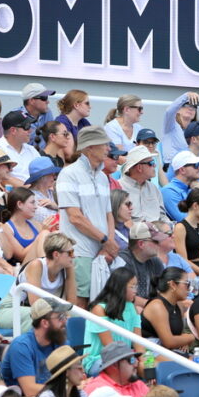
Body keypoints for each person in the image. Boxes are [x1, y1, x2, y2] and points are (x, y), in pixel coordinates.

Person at [58, 126, 117, 305]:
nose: (108, 148)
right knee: (80, 303)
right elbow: (75, 217)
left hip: (100, 250)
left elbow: (109, 214)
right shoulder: (68, 174)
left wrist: (108, 244)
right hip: (80, 250)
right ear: (89, 147)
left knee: (100, 304)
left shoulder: (103, 178)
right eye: (104, 144)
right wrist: (105, 240)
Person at [0, 297, 69, 397]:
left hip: (48, 396)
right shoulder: (22, 346)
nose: (65, 321)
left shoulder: (61, 341)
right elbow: (30, 390)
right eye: (60, 317)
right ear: (45, 323)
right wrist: (66, 389)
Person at [82, 269, 141, 373]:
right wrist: (131, 360)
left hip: (124, 357)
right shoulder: (99, 309)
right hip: (98, 359)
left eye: (136, 286)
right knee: (127, 370)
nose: (135, 291)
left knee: (150, 366)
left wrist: (143, 359)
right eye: (132, 287)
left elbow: (138, 342)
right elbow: (110, 346)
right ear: (120, 287)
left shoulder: (132, 307)